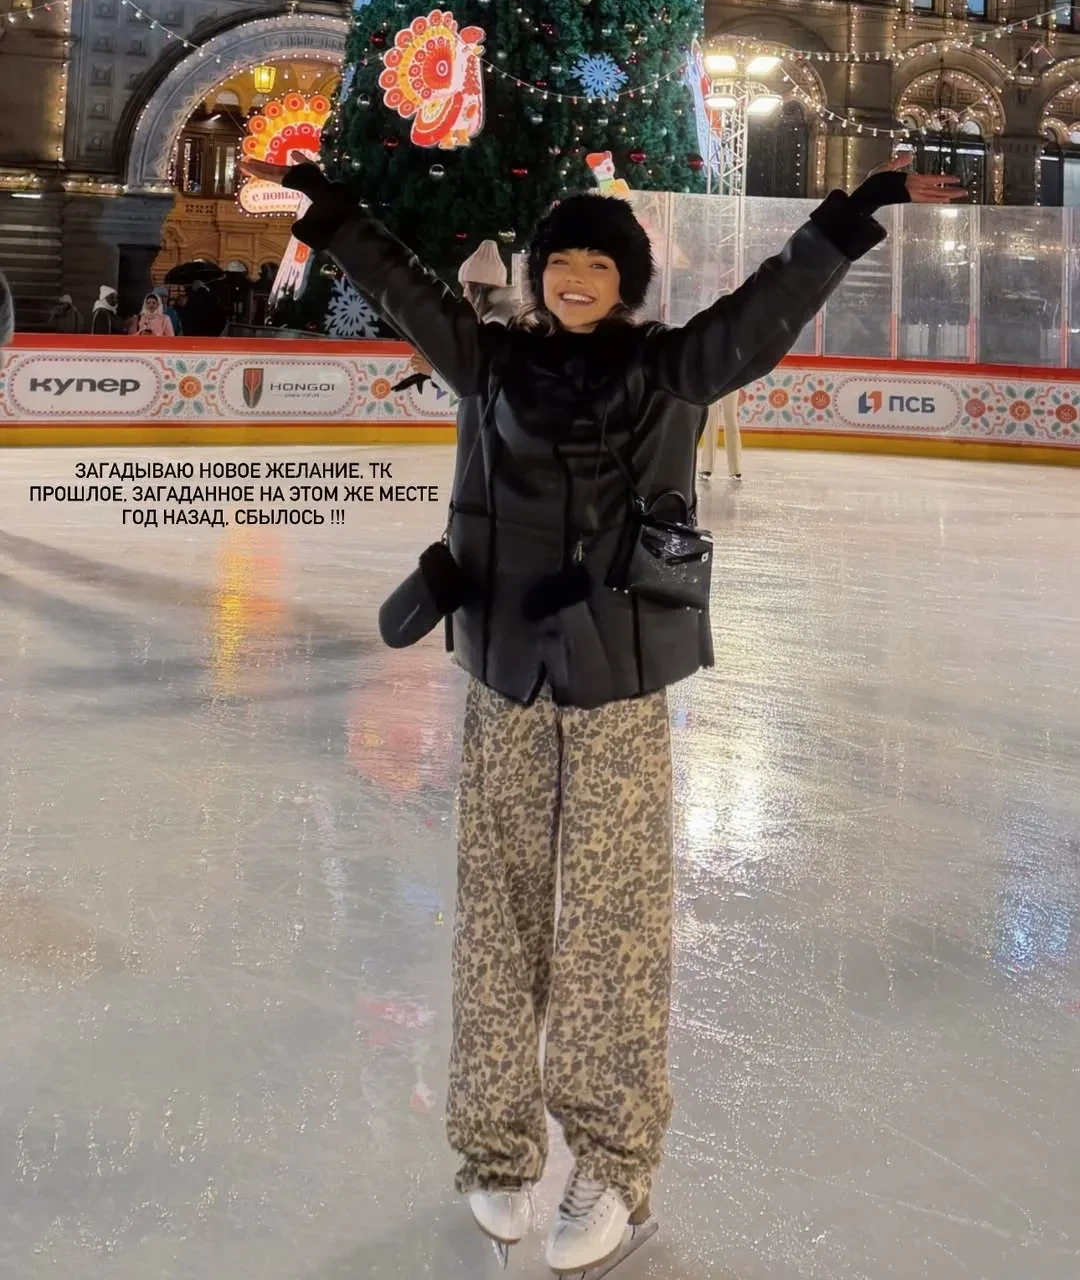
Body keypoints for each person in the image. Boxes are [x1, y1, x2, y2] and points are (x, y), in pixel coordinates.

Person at [245, 153, 963, 1276]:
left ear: (627, 281)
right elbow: (407, 291)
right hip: (506, 678)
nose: (575, 278)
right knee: (497, 921)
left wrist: (854, 210)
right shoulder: (488, 362)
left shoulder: (671, 371)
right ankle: (495, 1148)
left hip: (618, 684)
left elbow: (768, 306)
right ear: (537, 275)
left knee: (612, 931)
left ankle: (614, 1165)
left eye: (598, 263)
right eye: (560, 262)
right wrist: (333, 213)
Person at [458, 238, 518, 324]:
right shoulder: (494, 312)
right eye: (464, 286)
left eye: (468, 285)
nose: (464, 294)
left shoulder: (496, 320)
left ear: (479, 287)